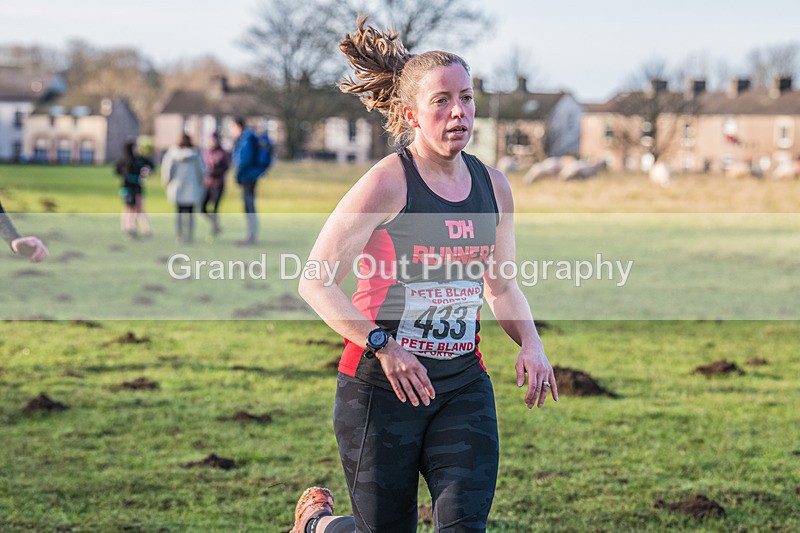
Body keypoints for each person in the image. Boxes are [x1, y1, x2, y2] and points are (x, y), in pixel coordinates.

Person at [293, 17, 558, 533]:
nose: (459, 110)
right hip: (381, 388)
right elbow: (315, 281)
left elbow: (501, 286)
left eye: (467, 96)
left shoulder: (494, 186)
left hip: (462, 386)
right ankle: (319, 527)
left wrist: (531, 342)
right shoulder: (388, 184)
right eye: (442, 100)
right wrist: (383, 345)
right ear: (412, 114)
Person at [161, 133, 205, 244]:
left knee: (179, 213)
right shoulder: (196, 154)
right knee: (190, 213)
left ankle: (180, 236)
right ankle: (189, 236)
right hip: (192, 187)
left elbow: (167, 170)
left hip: (177, 187)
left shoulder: (172, 154)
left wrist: (166, 182)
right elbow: (202, 171)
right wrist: (200, 183)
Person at [229, 117, 266, 245]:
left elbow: (243, 159)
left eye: (232, 127)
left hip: (248, 177)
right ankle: (250, 235)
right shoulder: (247, 138)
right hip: (250, 176)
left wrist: (238, 175)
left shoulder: (246, 140)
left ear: (238, 126)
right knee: (249, 206)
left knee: (249, 206)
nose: (231, 130)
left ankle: (251, 236)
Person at [114, 140, 154, 238]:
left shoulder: (140, 159)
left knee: (139, 208)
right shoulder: (125, 161)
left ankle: (146, 229)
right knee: (129, 208)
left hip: (138, 187)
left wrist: (146, 172)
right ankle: (129, 228)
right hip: (128, 188)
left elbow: (150, 166)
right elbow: (119, 171)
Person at [201, 131, 231, 237]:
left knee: (215, 208)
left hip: (218, 184)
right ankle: (215, 225)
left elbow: (226, 168)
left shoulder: (223, 153)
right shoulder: (207, 152)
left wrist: (213, 172)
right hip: (208, 184)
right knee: (202, 208)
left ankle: (215, 229)